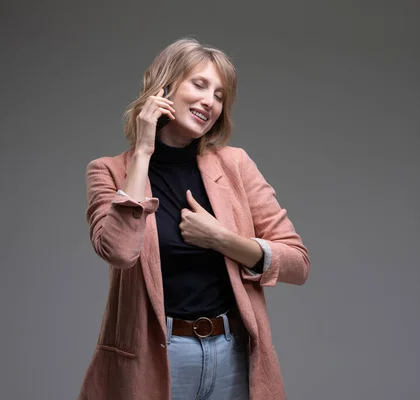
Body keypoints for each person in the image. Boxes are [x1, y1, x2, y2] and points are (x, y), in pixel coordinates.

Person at [78, 37, 310, 400]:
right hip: (157, 359)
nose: (210, 101)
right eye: (199, 85)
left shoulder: (235, 165)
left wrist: (222, 239)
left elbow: (297, 263)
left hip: (233, 356)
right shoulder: (107, 172)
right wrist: (142, 151)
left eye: (219, 95)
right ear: (164, 86)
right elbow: (120, 251)